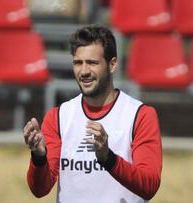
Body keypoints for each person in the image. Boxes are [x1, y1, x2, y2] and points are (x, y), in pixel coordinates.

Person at [23, 24, 162, 203]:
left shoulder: (140, 115)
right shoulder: (58, 117)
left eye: (92, 63)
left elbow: (149, 186)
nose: (84, 71)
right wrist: (39, 157)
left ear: (112, 65)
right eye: (78, 63)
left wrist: (108, 158)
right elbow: (39, 189)